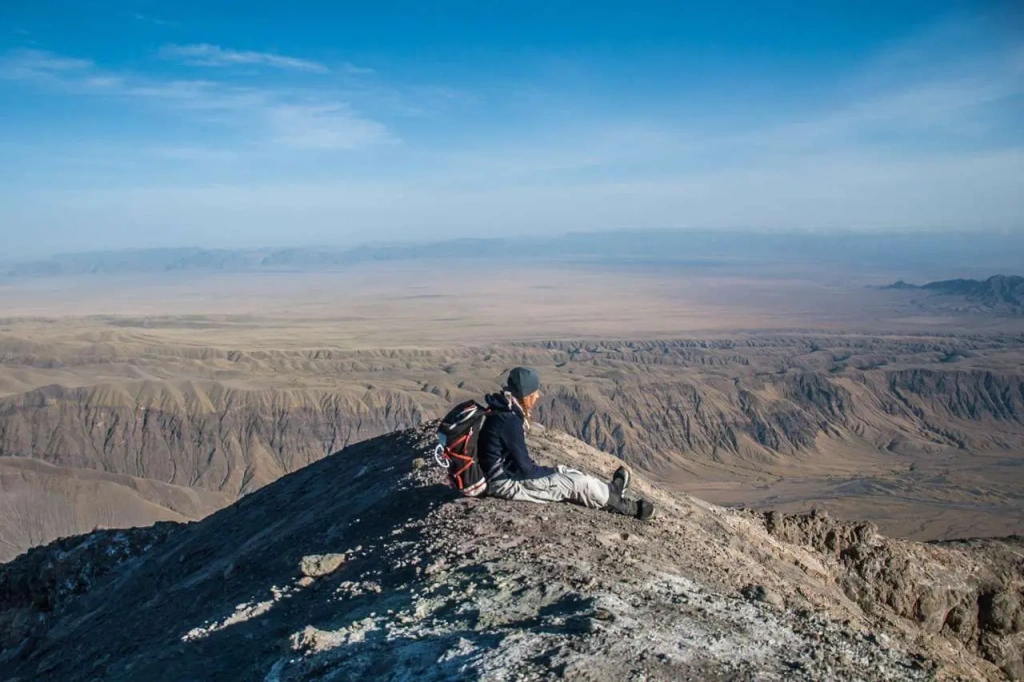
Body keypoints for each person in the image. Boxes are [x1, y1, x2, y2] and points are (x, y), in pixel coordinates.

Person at [478, 366, 655, 520]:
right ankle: (626, 507)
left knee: (564, 471)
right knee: (575, 483)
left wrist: (554, 472)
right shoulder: (509, 420)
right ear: (525, 395)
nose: (538, 396)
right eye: (534, 393)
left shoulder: (504, 411)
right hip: (504, 484)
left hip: (506, 476)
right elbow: (526, 469)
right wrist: (550, 474)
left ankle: (611, 491)